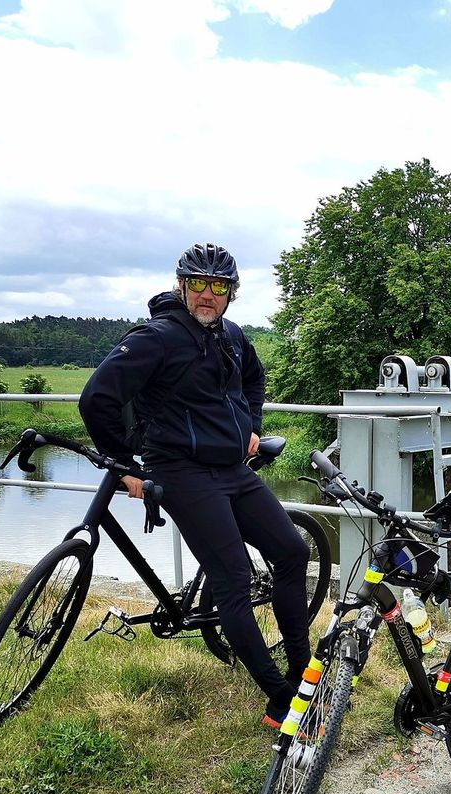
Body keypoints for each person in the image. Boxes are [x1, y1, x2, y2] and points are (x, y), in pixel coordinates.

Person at [79, 243, 311, 727]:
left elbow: (253, 378)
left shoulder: (231, 335)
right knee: (234, 580)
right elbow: (97, 398)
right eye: (198, 284)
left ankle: (302, 671)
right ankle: (280, 696)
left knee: (292, 551)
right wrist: (125, 466)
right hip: (182, 471)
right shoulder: (156, 339)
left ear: (231, 293)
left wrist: (251, 423)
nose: (208, 294)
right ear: (181, 285)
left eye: (219, 286)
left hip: (232, 469)